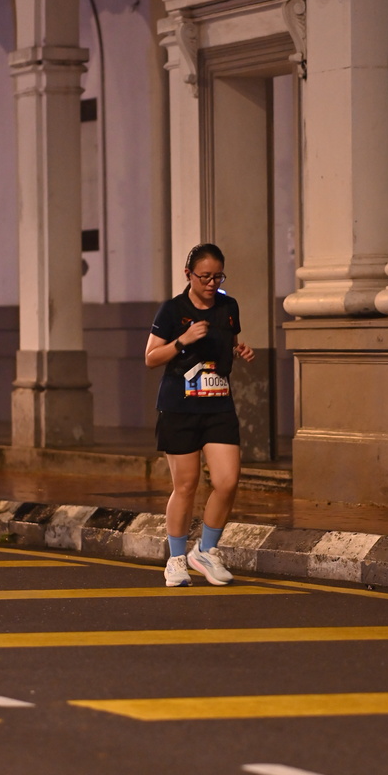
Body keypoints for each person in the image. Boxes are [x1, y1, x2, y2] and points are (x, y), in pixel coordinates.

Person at [145, 243, 254, 587]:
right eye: (204, 276)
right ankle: (176, 559)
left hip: (218, 404)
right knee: (186, 485)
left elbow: (228, 344)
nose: (211, 283)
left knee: (227, 481)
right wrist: (182, 340)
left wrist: (239, 349)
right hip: (179, 407)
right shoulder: (172, 310)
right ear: (188, 274)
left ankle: (205, 551)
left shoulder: (228, 306)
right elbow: (151, 357)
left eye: (218, 276)